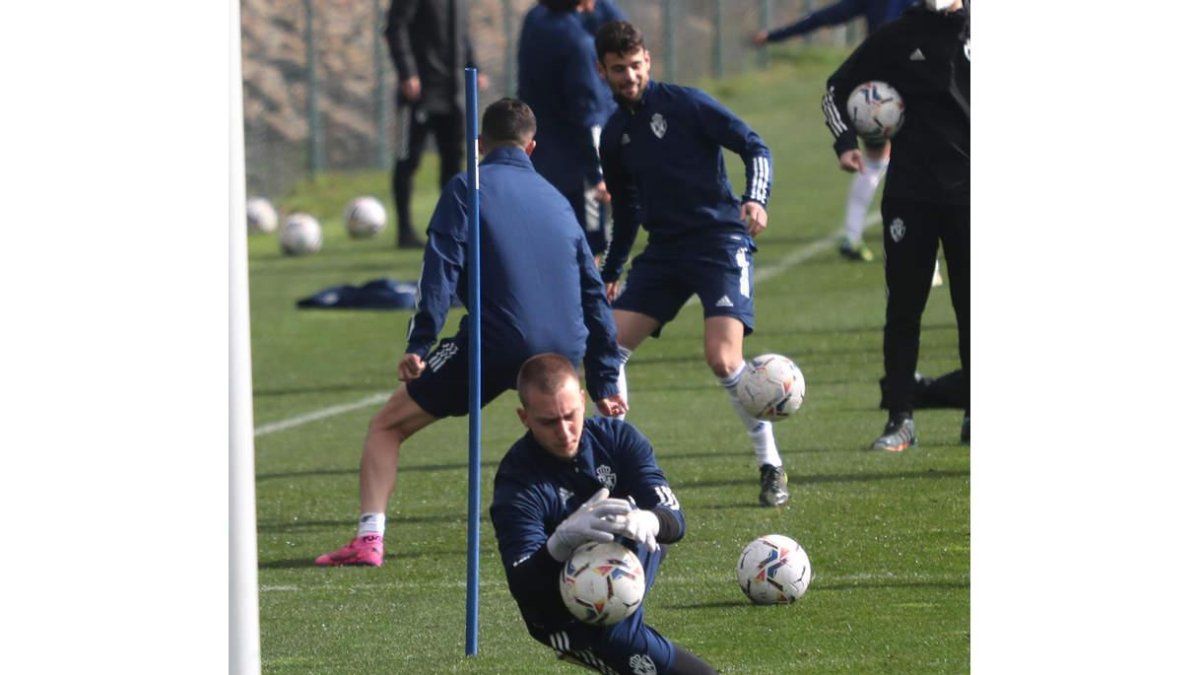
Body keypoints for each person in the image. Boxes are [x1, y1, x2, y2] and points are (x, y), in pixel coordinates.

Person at [316, 99, 628, 567]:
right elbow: (593, 294)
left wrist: (420, 344)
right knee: (565, 433)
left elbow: (438, 270)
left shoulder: (467, 188)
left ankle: (369, 539)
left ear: (479, 145)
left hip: (495, 341)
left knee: (387, 425)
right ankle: (603, 519)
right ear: (532, 146)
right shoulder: (557, 200)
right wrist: (603, 381)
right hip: (565, 345)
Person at [593, 21, 790, 507]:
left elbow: (754, 145)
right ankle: (619, 470)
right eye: (619, 69)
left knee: (722, 358)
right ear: (603, 71)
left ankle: (771, 465)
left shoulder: (687, 103)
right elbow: (628, 208)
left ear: (649, 62)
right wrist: (613, 270)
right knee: (607, 346)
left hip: (720, 242)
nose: (630, 76)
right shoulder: (615, 133)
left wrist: (756, 199)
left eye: (636, 65)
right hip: (664, 252)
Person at [490, 353, 718, 675]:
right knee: (625, 645)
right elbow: (524, 584)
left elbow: (674, 520)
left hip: (631, 552)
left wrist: (647, 519)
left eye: (570, 415)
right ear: (524, 417)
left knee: (625, 637)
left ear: (582, 401)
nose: (565, 431)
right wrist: (561, 542)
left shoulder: (619, 440)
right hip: (561, 615)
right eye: (548, 422)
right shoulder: (517, 483)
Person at [821, 0, 970, 451]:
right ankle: (900, 418)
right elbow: (835, 88)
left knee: (974, 308)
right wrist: (846, 142)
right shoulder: (897, 35)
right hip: (911, 194)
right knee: (904, 309)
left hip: (972, 194)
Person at [752, 0, 917, 263]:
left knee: (877, 162)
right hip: (919, 83)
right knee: (928, 161)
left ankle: (852, 235)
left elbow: (824, 18)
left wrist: (774, 36)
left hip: (875, 90)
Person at [384, 0, 487, 249]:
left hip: (453, 94)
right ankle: (405, 230)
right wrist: (407, 72)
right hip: (419, 93)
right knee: (408, 159)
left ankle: (451, 228)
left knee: (453, 161)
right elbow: (395, 28)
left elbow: (462, 36)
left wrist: (475, 67)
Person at [518, 0, 615, 263]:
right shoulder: (578, 44)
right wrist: (599, 173)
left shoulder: (534, 21)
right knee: (590, 248)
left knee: (551, 246)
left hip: (540, 155)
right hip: (577, 164)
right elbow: (587, 113)